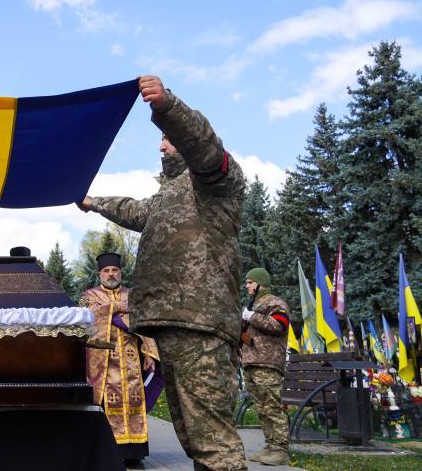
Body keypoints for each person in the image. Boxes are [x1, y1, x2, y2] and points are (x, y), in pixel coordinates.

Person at [78, 75, 248, 470]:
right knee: (193, 435)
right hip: (172, 320)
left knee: (213, 438)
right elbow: (135, 210)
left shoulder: (216, 181)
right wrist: (93, 202)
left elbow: (205, 146)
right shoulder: (168, 195)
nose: (161, 146)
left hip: (200, 320)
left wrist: (167, 107)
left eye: (168, 139)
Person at [80, 252, 160, 466]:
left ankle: (134, 454)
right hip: (105, 362)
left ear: (120, 272)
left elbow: (144, 322)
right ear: (99, 274)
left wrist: (149, 353)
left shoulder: (132, 295)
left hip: (132, 360)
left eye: (114, 270)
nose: (111, 274)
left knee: (134, 403)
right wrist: (115, 308)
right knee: (108, 405)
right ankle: (111, 454)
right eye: (106, 271)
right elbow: (87, 319)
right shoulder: (89, 296)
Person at [241, 268, 291, 466]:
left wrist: (251, 316)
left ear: (260, 283)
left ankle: (281, 450)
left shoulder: (275, 303)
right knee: (262, 408)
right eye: (246, 282)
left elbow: (279, 325)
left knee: (271, 407)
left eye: (250, 282)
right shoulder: (254, 304)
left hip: (268, 362)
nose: (247, 286)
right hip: (251, 361)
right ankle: (270, 446)